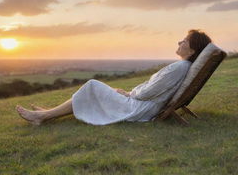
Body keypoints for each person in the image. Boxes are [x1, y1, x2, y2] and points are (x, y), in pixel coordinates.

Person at [16, 29, 212, 126]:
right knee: (93, 88)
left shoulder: (179, 67)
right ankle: (50, 112)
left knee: (92, 85)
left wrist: (128, 94)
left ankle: (42, 116)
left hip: (139, 108)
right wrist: (129, 93)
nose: (179, 41)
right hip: (142, 103)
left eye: (184, 41)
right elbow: (153, 89)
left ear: (193, 48)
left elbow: (150, 91)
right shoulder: (183, 66)